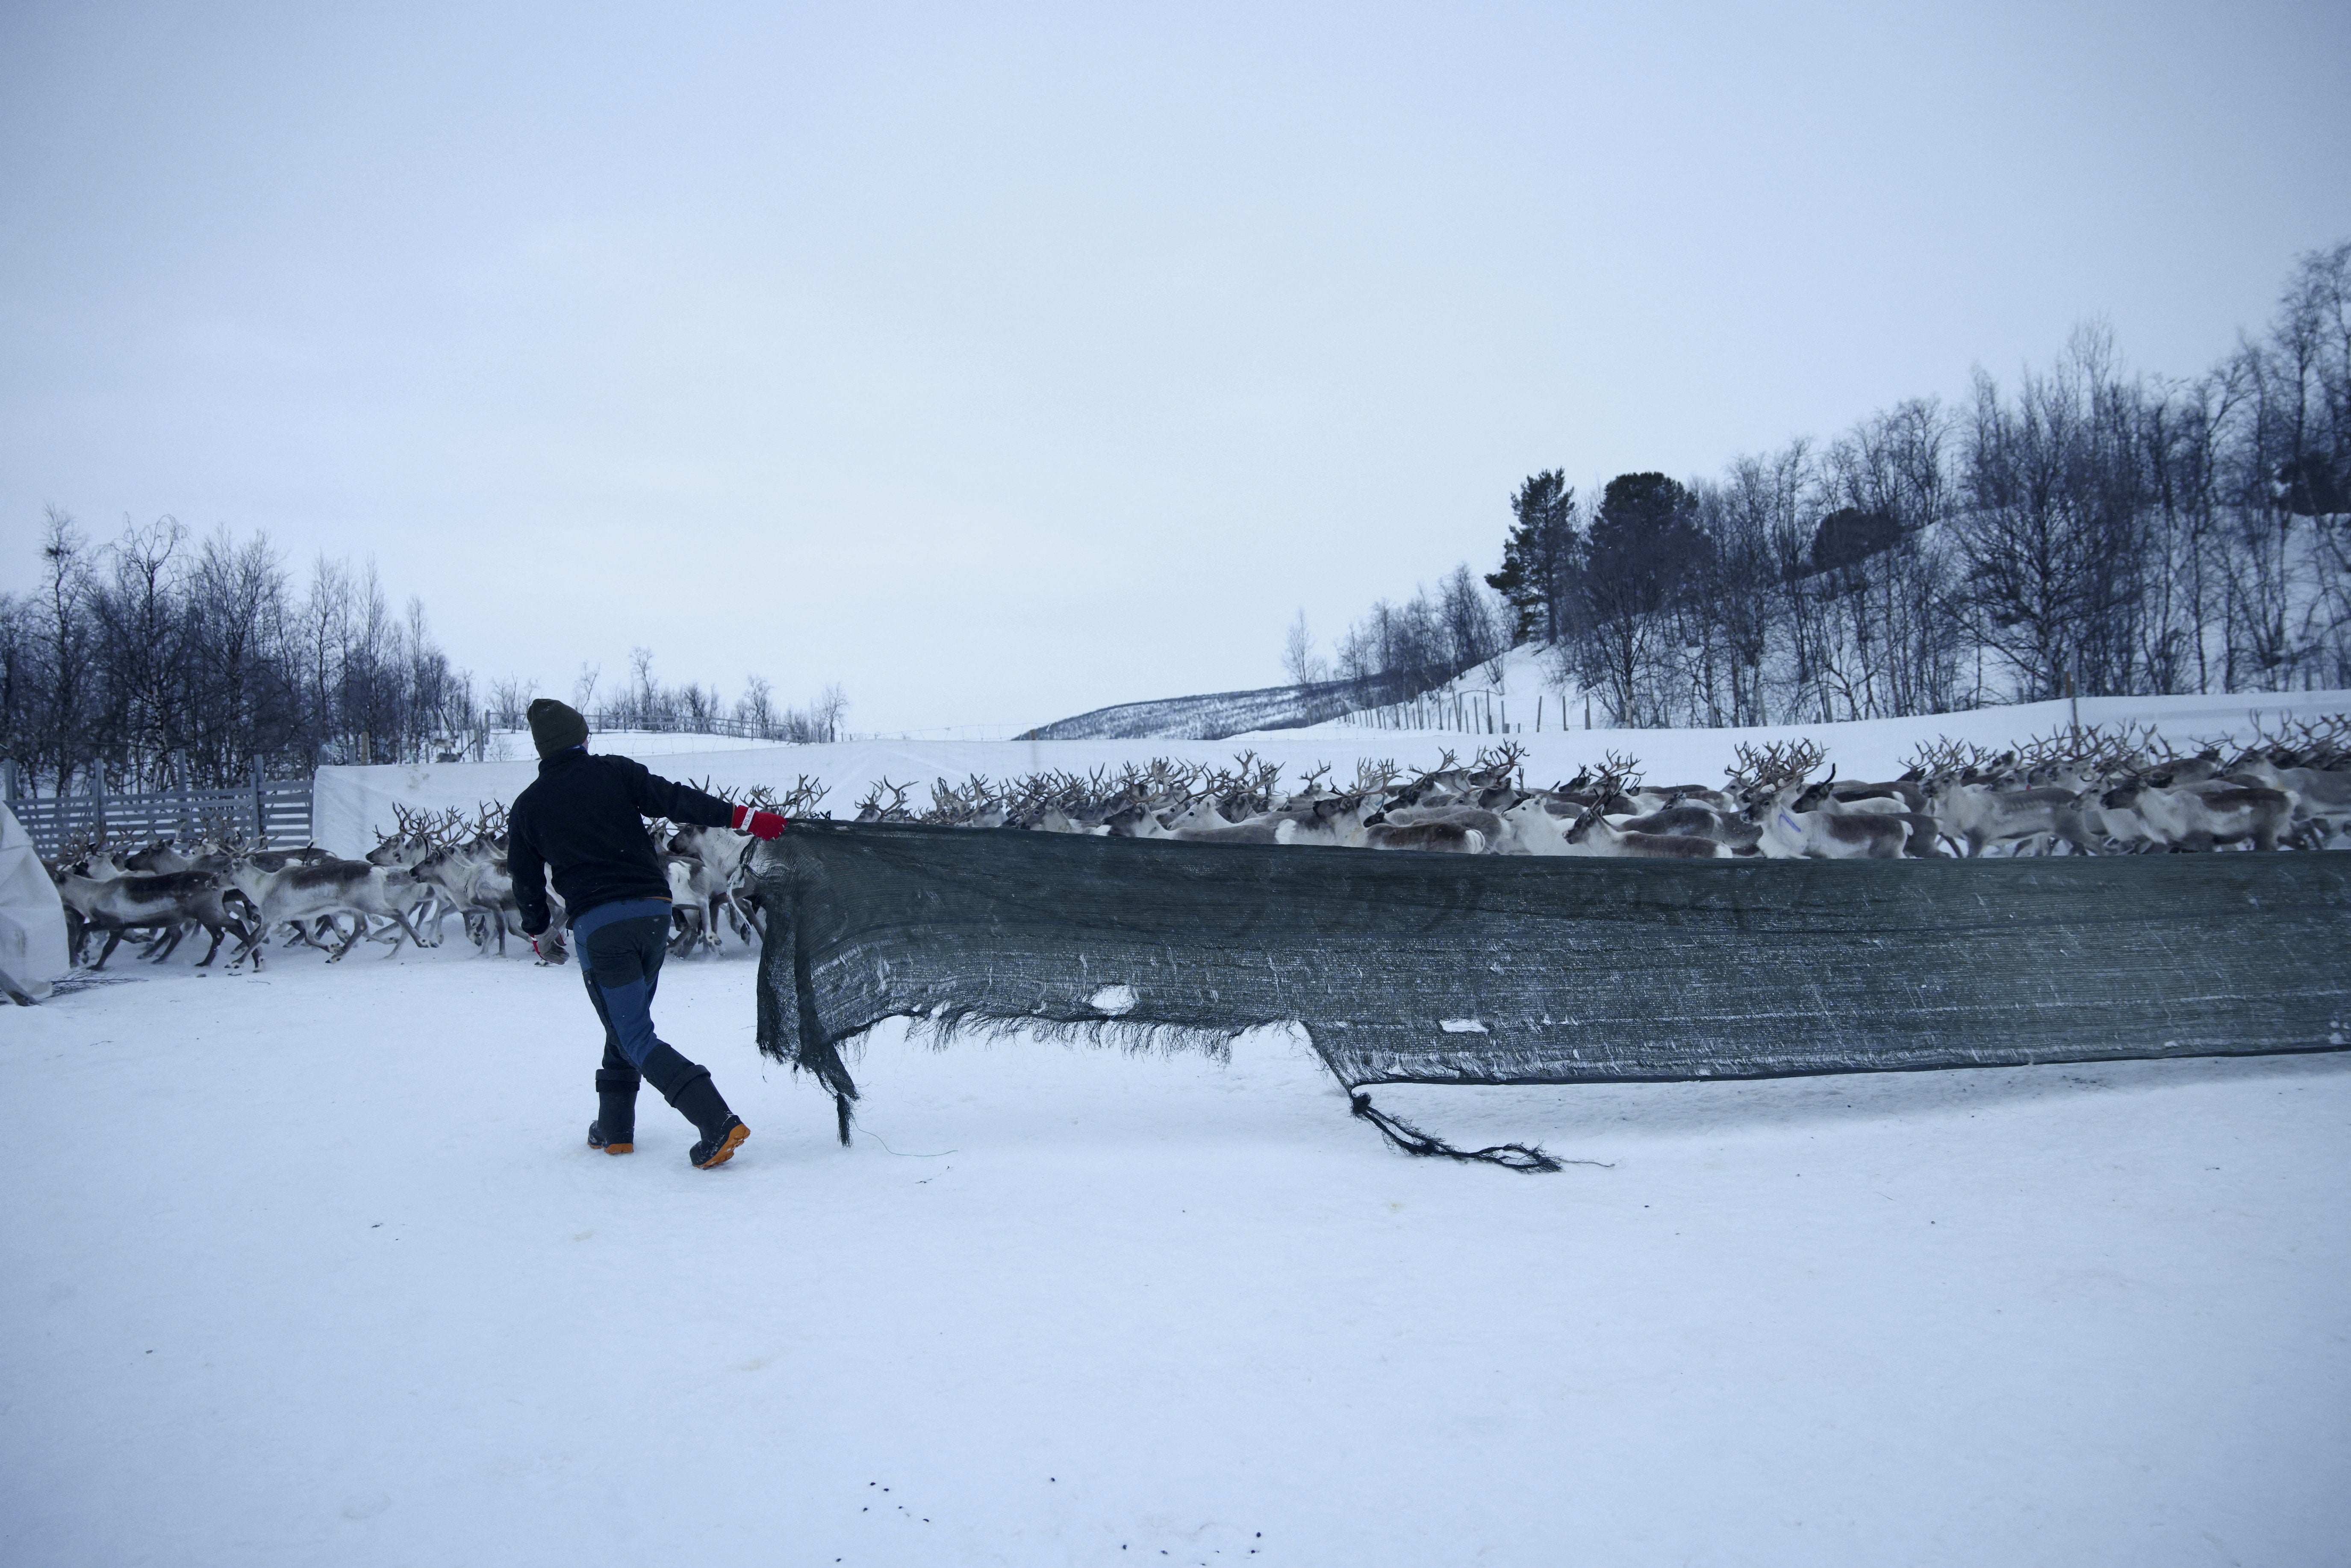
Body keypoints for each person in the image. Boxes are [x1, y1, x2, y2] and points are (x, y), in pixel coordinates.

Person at [508, 698, 788, 1169]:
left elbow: (525, 879)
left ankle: (715, 1118)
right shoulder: (614, 772)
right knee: (625, 1022)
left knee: (633, 1030)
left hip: (602, 927)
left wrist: (539, 929)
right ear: (580, 739)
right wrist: (746, 818)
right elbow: (678, 799)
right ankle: (614, 1127)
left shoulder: (529, 806)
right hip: (654, 914)